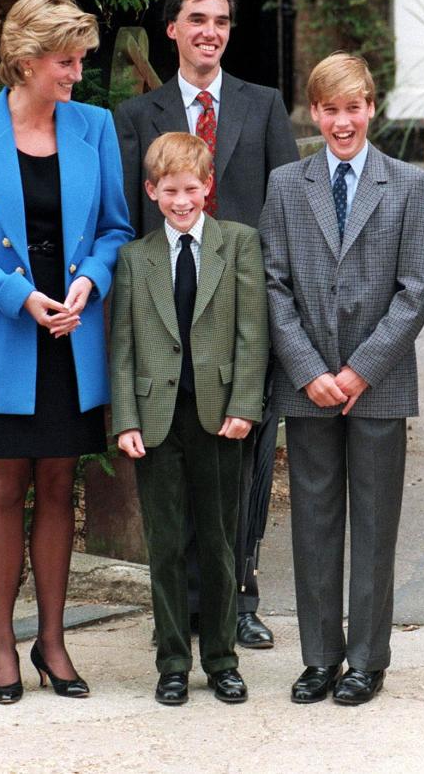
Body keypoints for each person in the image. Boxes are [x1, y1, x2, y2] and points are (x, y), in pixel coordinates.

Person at [0, 0, 134, 704]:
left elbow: (115, 228)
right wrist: (20, 297)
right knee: (6, 485)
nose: (78, 75)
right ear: (24, 61)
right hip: (6, 330)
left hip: (73, 332)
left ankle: (53, 640)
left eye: (80, 61)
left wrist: (91, 284)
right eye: (66, 62)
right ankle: (2, 644)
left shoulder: (97, 127)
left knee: (58, 484)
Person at [115, 0, 298, 649]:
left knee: (244, 470)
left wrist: (281, 318)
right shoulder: (137, 117)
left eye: (220, 21)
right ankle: (187, 607)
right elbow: (130, 224)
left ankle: (238, 599)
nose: (209, 33)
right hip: (168, 322)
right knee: (175, 467)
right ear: (172, 30)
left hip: (243, 324)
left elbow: (288, 213)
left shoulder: (264, 104)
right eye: (196, 20)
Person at [259, 52, 424, 706]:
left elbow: (416, 289)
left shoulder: (407, 185)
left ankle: (366, 659)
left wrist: (361, 369)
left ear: (372, 107)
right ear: (314, 112)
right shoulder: (286, 185)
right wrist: (310, 372)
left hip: (378, 385)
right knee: (312, 523)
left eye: (354, 108)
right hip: (308, 388)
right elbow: (273, 285)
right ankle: (318, 659)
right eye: (330, 110)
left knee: (373, 524)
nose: (342, 122)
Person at [111, 132, 269, 706]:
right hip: (156, 421)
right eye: (170, 190)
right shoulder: (135, 258)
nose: (182, 200)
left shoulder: (239, 244)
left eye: (192, 188)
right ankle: (173, 661)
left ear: (209, 187)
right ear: (153, 192)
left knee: (222, 542)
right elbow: (122, 346)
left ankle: (223, 659)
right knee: (167, 544)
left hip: (219, 416)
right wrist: (125, 418)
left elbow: (254, 334)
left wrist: (245, 406)